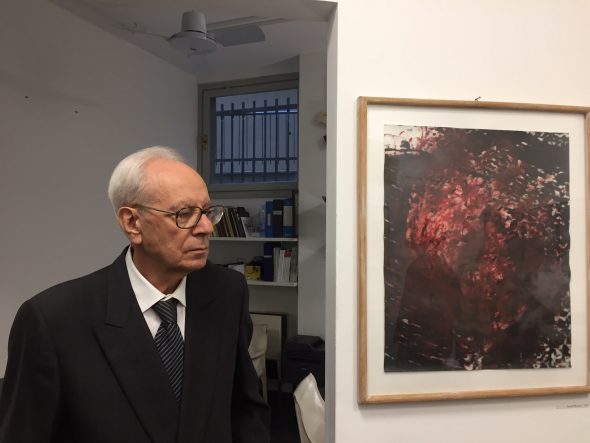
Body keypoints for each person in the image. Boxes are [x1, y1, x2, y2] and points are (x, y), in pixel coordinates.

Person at [0, 146, 270, 443]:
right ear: (132, 223)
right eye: (184, 214)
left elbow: (244, 408)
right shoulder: (54, 320)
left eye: (207, 212)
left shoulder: (227, 291)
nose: (206, 228)